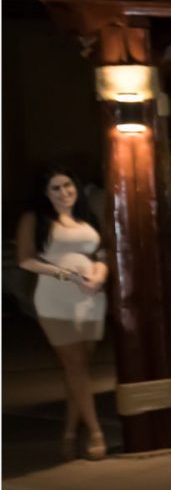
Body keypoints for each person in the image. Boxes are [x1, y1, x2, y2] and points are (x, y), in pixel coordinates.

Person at [17, 168, 110, 460]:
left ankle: (70, 433)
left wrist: (99, 275)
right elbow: (25, 259)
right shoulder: (35, 219)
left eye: (67, 185)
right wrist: (65, 275)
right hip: (55, 300)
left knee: (79, 370)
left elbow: (103, 255)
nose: (63, 192)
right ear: (45, 193)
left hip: (91, 299)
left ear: (76, 186)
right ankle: (96, 433)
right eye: (55, 188)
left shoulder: (87, 217)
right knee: (76, 367)